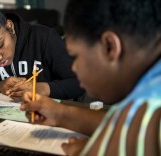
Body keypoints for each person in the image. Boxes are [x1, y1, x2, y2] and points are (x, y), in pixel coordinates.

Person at [20, 0, 161, 155]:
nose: (73, 67)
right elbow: (129, 123)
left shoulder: (151, 107)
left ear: (109, 47)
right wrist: (60, 114)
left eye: (75, 56)